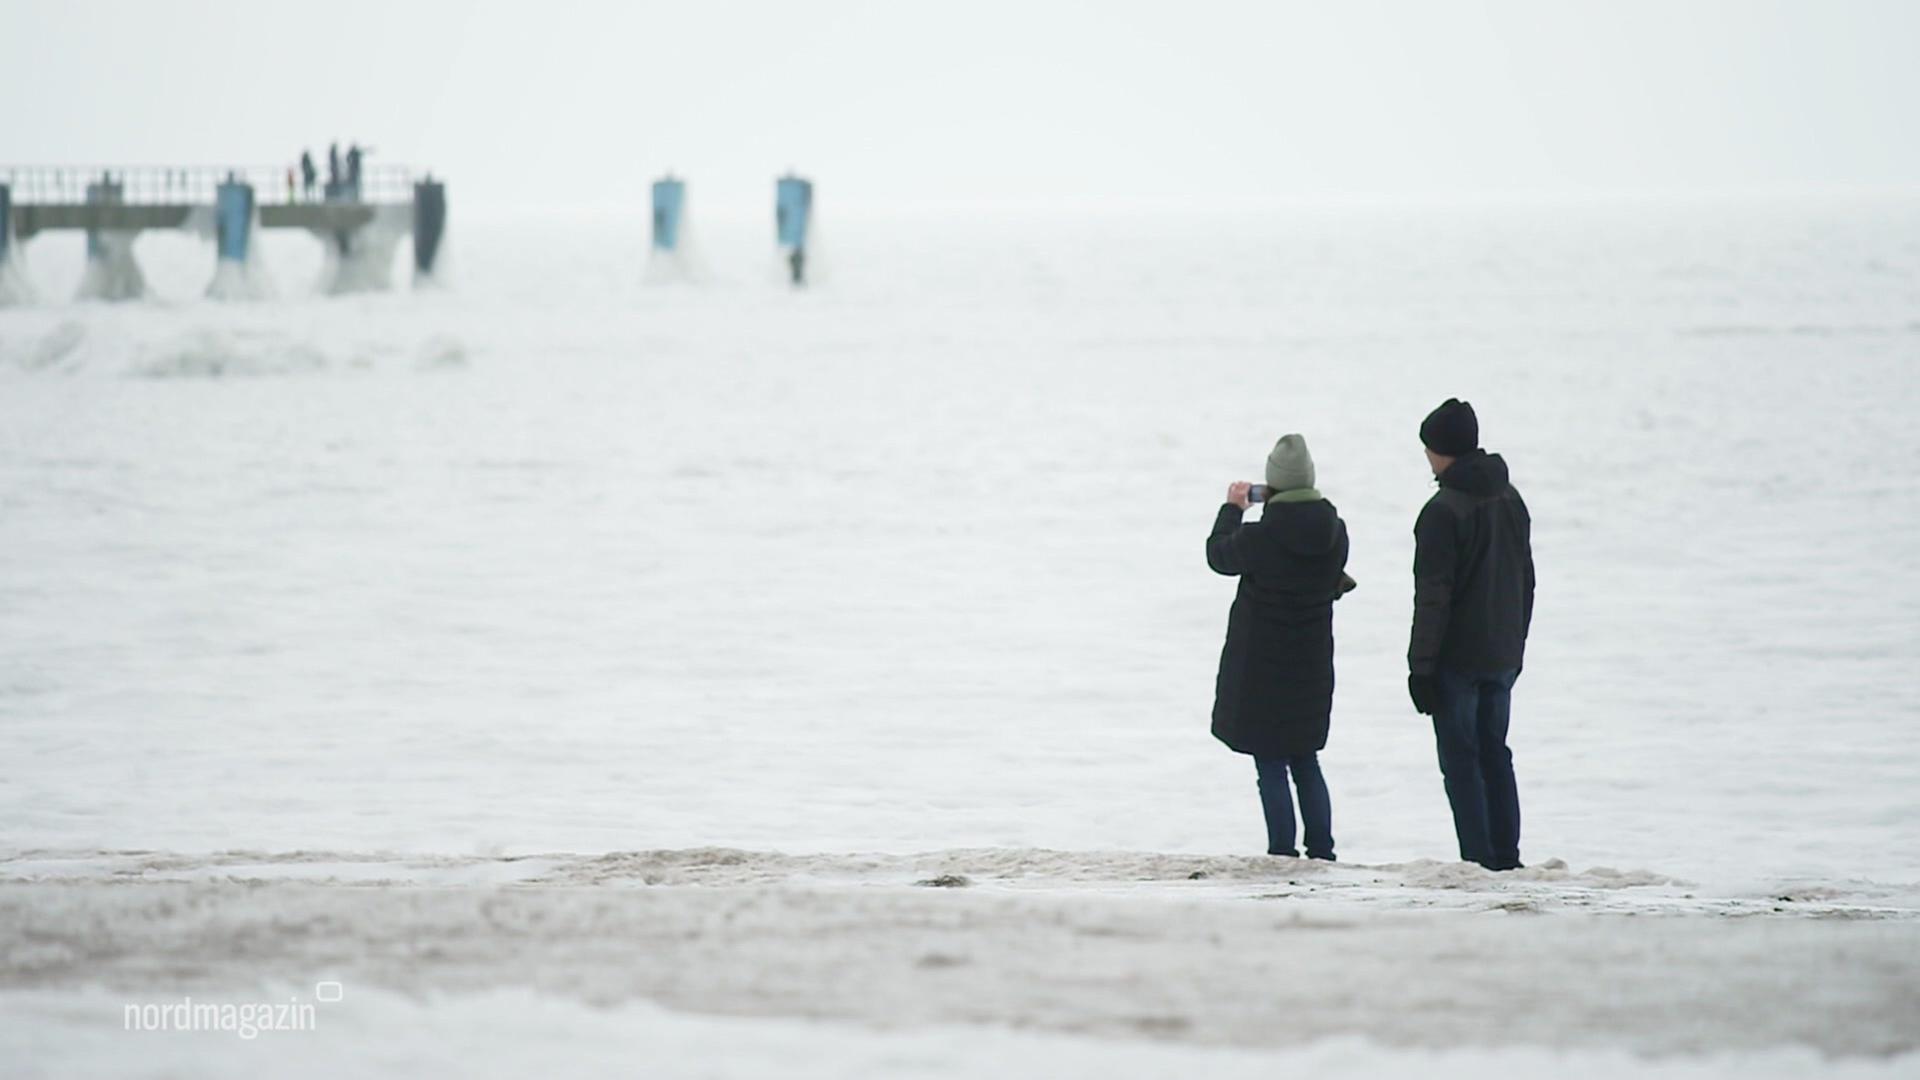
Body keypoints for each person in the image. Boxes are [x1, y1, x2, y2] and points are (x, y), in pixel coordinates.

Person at [1206, 434, 1354, 860]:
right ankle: (1322, 851)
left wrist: (1232, 510)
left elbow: (1218, 556)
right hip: (1311, 664)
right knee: (1305, 759)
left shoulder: (1259, 539)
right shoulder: (1335, 533)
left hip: (1262, 667)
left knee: (1270, 762)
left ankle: (1282, 852)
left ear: (1271, 487)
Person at [1406, 398, 1536, 871]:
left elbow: (1433, 598)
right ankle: (1507, 856)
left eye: (1428, 448)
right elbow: (1527, 578)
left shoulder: (1442, 512)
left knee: (1461, 760)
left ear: (1442, 451)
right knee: (1496, 753)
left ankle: (1478, 860)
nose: (1426, 456)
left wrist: (1420, 668)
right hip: (1502, 650)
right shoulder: (1511, 498)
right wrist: (1517, 643)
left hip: (1457, 658)